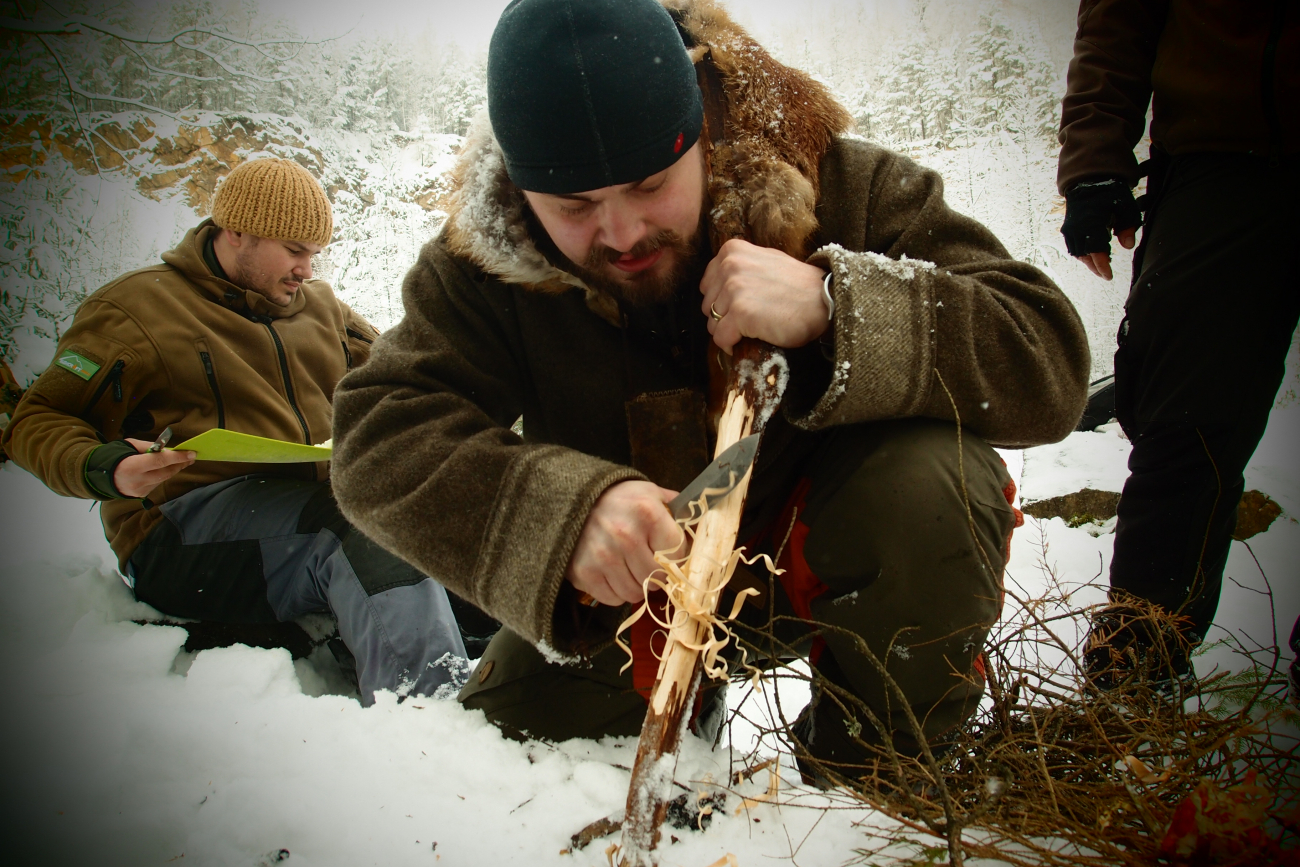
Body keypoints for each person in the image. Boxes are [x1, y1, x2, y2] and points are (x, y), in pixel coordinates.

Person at [331, 0, 1090, 774]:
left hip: (823, 559)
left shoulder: (834, 182)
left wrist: (835, 307)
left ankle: (878, 789)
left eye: (651, 184)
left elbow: (1047, 353)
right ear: (524, 198)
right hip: (630, 601)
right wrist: (558, 515)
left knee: (929, 480)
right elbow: (376, 435)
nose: (622, 233)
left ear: (702, 136)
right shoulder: (485, 264)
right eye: (575, 207)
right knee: (508, 774)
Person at [3, 157, 478, 705]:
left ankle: (515, 664)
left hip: (304, 508)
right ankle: (428, 719)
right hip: (178, 531)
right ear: (237, 232)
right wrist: (106, 467)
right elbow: (35, 421)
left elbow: (401, 377)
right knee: (349, 528)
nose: (306, 268)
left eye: (314, 253)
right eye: (294, 250)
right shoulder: (135, 311)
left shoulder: (322, 309)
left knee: (431, 504)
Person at [1057, 0, 1299, 690]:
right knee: (1181, 420)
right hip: (1219, 155)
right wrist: (1095, 156)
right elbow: (1117, 13)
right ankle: (1136, 669)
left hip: (1220, 154)